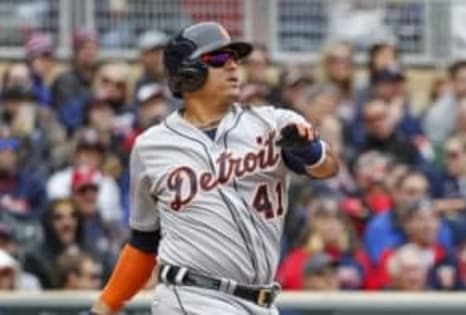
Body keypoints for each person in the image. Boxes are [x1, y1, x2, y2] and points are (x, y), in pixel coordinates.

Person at [90, 21, 338, 315]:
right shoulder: (151, 147)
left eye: (235, 58)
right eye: (219, 59)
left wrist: (308, 151)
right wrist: (105, 307)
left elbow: (326, 168)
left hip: (261, 301)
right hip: (191, 296)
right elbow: (144, 242)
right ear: (187, 73)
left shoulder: (273, 122)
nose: (233, 66)